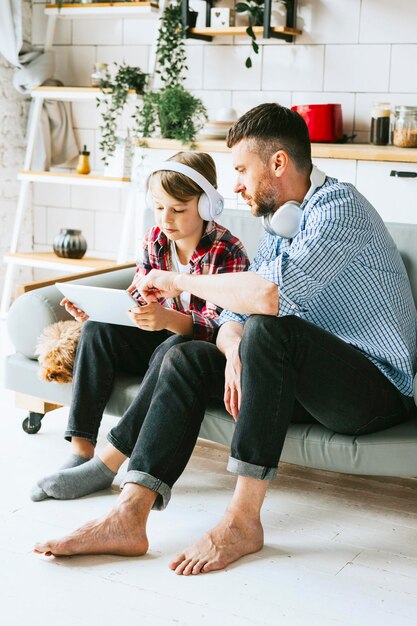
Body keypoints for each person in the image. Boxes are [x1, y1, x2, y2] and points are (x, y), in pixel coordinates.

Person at [34, 103, 417, 576]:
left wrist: (178, 283)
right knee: (183, 354)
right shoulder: (283, 221)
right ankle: (128, 516)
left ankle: (242, 522)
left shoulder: (340, 210)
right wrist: (235, 347)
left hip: (375, 389)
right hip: (308, 382)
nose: (234, 185)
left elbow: (268, 296)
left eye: (240, 170)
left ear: (277, 163)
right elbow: (236, 312)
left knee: (271, 329)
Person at [30, 150, 249, 502]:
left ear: (208, 205)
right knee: (97, 332)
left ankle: (107, 465)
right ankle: (82, 451)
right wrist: (101, 312)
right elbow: (137, 298)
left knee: (170, 348)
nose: (167, 218)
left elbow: (222, 324)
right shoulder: (154, 240)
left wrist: (170, 320)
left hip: (200, 352)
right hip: (159, 336)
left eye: (179, 209)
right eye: (160, 207)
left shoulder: (227, 250)